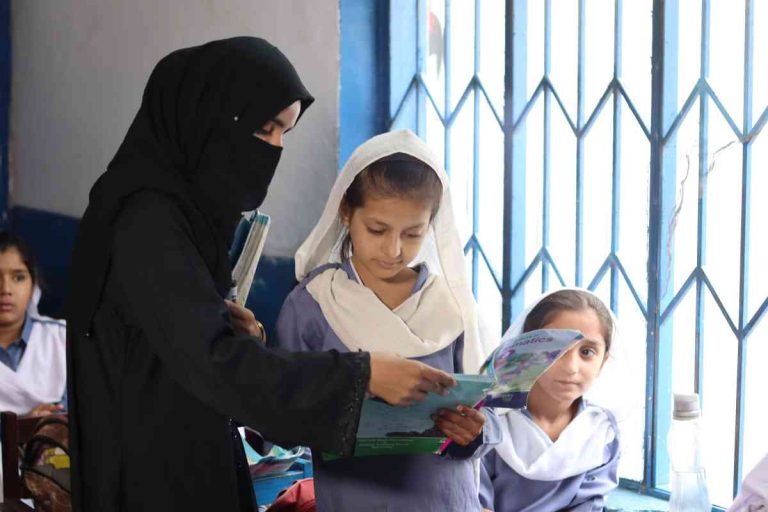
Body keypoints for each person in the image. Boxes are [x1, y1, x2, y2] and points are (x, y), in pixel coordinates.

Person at [65, 37, 455, 512]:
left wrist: (229, 329)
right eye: (264, 128)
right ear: (208, 116)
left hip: (184, 449)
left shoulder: (186, 216)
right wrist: (363, 375)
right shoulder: (147, 222)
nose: (273, 148)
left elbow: (187, 343)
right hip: (150, 469)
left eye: (284, 133)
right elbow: (213, 363)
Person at [276, 129, 501, 511]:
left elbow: (490, 411)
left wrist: (474, 433)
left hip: (445, 500)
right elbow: (275, 415)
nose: (394, 250)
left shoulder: (452, 305)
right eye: (377, 230)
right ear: (346, 212)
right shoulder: (315, 303)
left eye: (413, 234)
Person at [479, 288, 624, 511]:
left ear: (604, 361)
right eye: (555, 349)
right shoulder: (487, 423)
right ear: (525, 350)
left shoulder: (601, 432)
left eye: (587, 352)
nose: (571, 368)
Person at [0, 231, 67, 417]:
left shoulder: (62, 339)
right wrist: (23, 425)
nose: (5, 289)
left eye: (18, 277)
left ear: (33, 286)